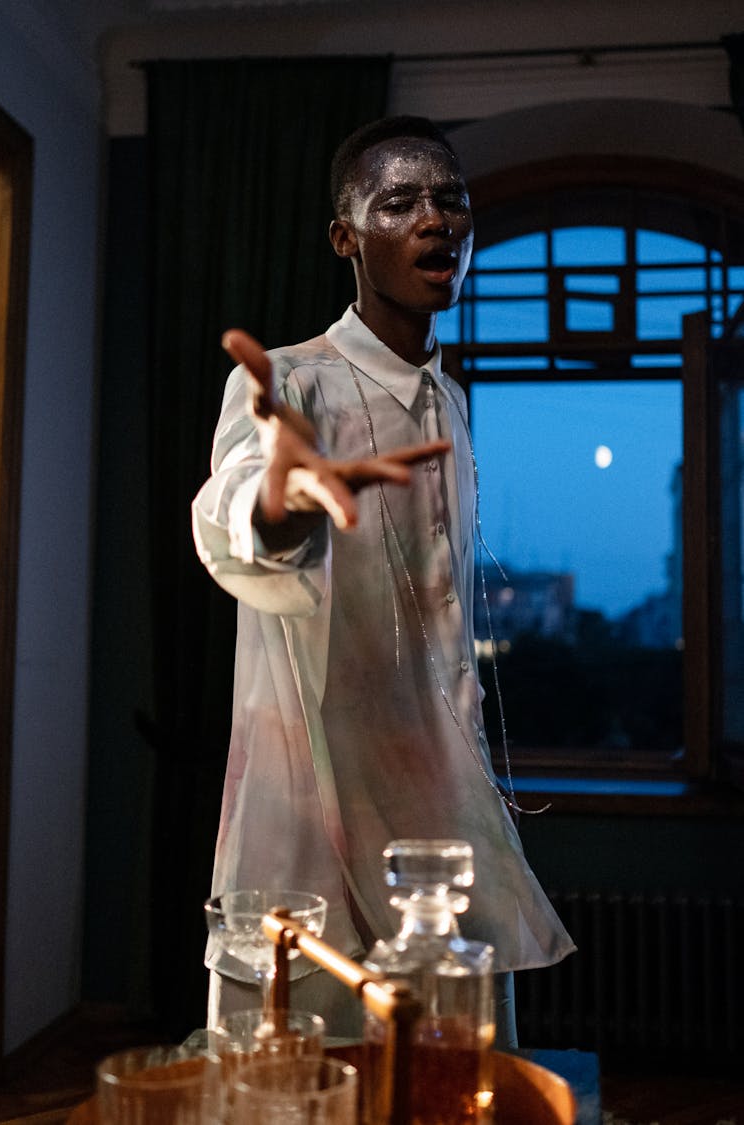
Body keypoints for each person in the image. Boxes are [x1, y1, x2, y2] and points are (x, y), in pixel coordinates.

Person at [192, 115, 575, 1042]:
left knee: (458, 1089)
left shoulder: (449, 398)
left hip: (443, 850)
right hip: (307, 835)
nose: (436, 219)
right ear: (346, 238)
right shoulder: (289, 386)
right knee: (297, 1088)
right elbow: (234, 508)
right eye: (399, 202)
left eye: (451, 199)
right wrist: (276, 509)